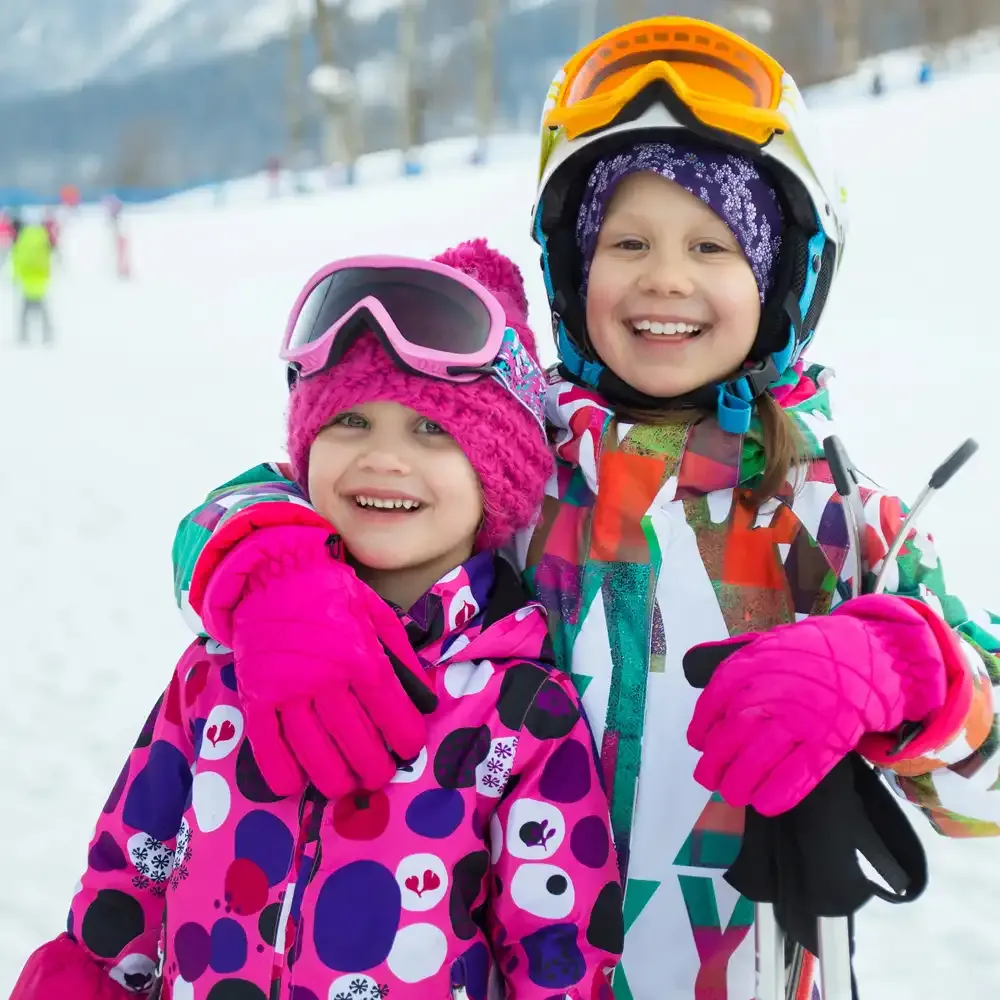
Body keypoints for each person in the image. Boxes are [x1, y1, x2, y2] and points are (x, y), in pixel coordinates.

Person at [67, 15, 1000, 998]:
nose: (664, 277)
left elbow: (983, 773)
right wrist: (273, 570)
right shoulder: (507, 450)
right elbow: (282, 486)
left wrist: (906, 670)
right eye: (626, 240)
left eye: (713, 246)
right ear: (569, 266)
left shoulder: (838, 517)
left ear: (780, 279)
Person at [11, 242, 624, 1000]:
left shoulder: (522, 713)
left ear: (498, 476)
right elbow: (131, 865)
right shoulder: (222, 667)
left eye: (433, 431)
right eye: (353, 421)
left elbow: (561, 960)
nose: (385, 459)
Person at [9, 217, 53, 344]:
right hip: (40, 277)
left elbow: (18, 258)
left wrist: (16, 275)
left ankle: (24, 335)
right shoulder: (40, 235)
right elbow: (46, 255)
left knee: (26, 309)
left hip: (27, 278)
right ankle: (47, 334)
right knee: (42, 307)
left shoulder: (22, 239)